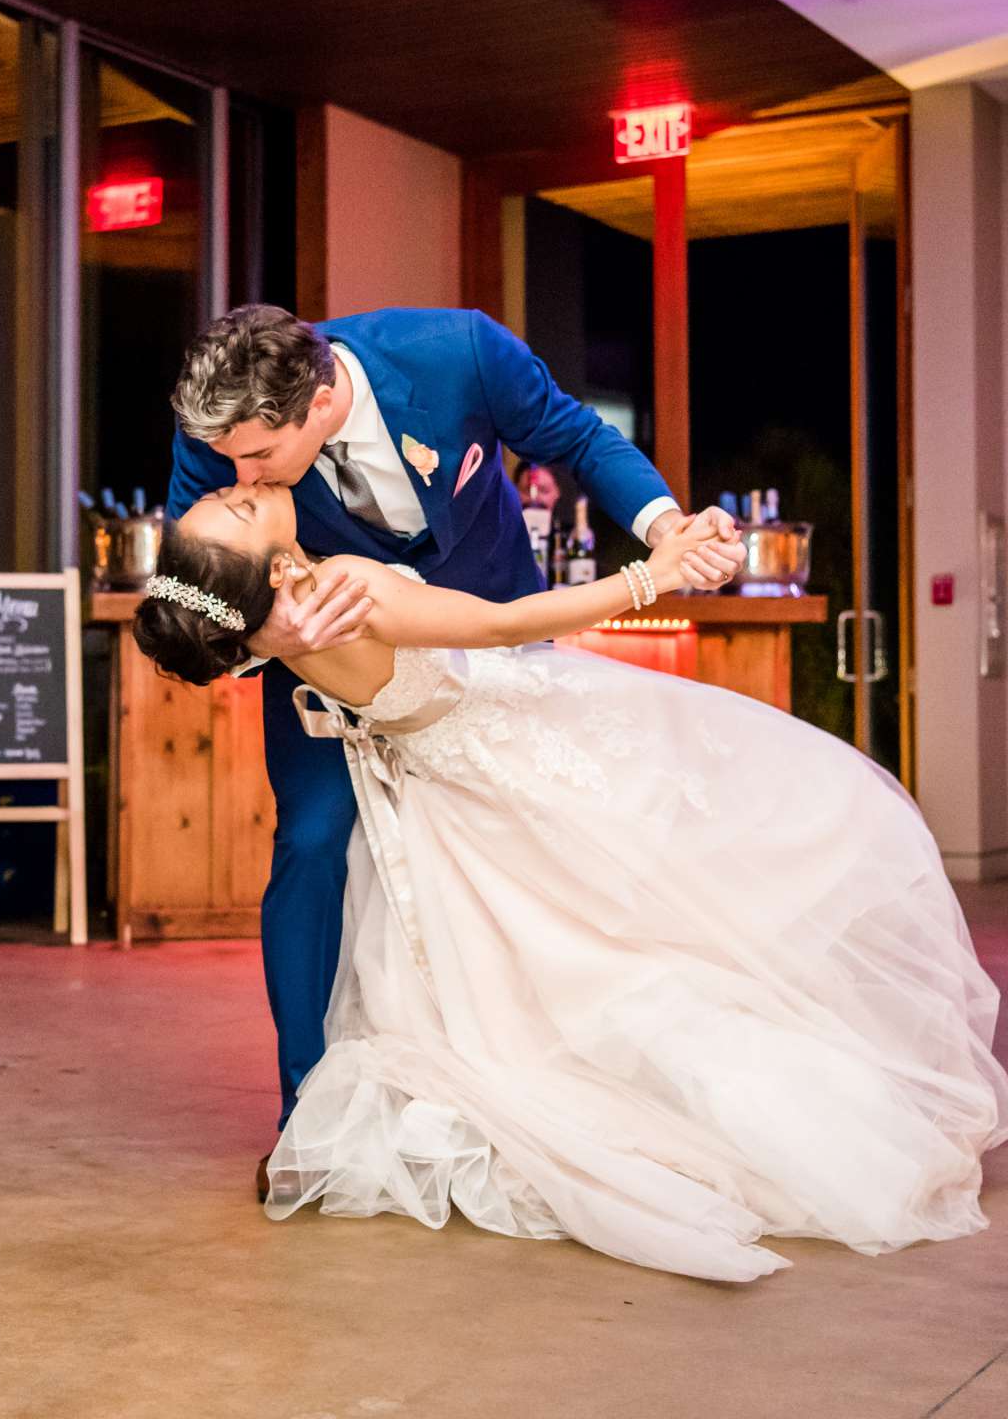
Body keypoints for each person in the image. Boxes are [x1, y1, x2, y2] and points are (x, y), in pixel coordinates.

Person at [134, 483, 1008, 1281]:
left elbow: (251, 636)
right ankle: (795, 1127)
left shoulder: (273, 629)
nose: (242, 484)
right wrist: (651, 576)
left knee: (575, 958)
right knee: (663, 907)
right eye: (241, 509)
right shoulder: (352, 591)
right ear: (278, 569)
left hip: (439, 788)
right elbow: (502, 623)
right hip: (503, 755)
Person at [165, 305, 745, 1194]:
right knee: (314, 846)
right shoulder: (221, 426)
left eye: (255, 459)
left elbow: (579, 440)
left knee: (551, 863)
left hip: (488, 658)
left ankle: (572, 1072)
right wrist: (266, 635)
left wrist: (665, 531)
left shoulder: (457, 353)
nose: (233, 472)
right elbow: (197, 587)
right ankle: (307, 1127)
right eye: (230, 463)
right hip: (332, 667)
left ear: (319, 403)